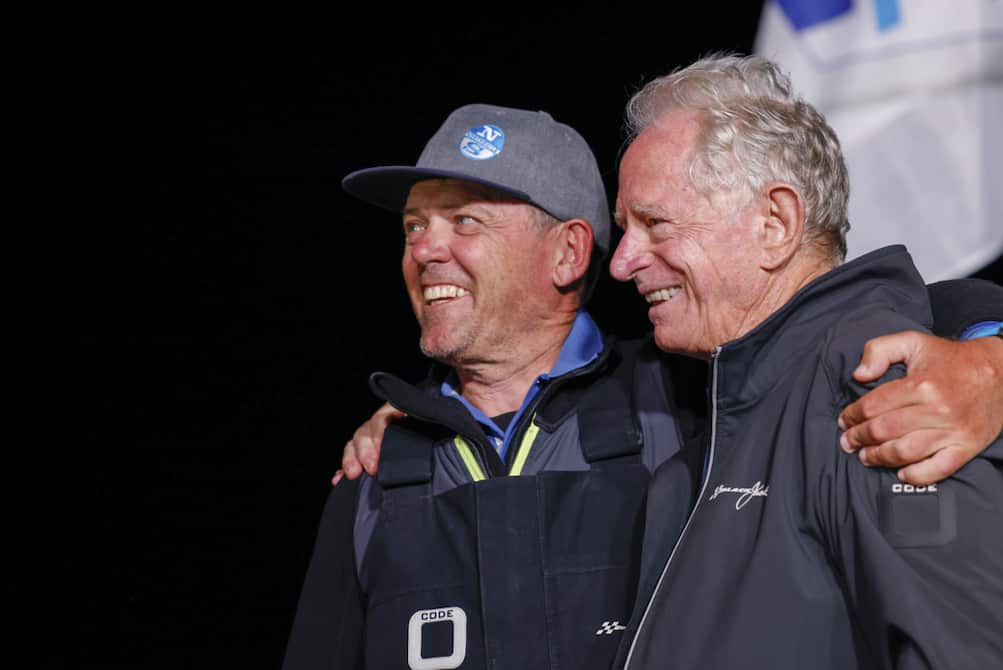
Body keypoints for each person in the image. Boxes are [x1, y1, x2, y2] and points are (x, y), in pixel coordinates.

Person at [283, 99, 1003, 669]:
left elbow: (838, 323)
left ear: (567, 251)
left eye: (463, 221)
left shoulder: (688, 399)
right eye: (412, 227)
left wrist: (987, 354)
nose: (425, 251)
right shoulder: (378, 468)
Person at [606, 53, 1003, 669]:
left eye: (655, 223)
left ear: (776, 222)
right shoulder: (721, 420)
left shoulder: (881, 397)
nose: (622, 261)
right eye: (624, 227)